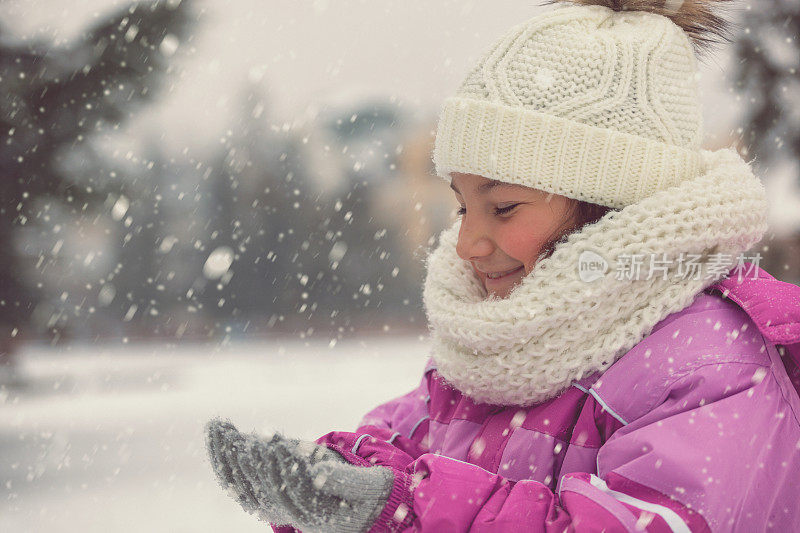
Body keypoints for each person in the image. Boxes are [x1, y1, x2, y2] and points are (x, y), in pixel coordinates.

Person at [205, 0, 800, 531]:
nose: (468, 243)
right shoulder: (503, 350)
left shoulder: (710, 364)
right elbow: (403, 444)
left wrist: (402, 510)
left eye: (503, 207)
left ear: (611, 205)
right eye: (463, 206)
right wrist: (337, 481)